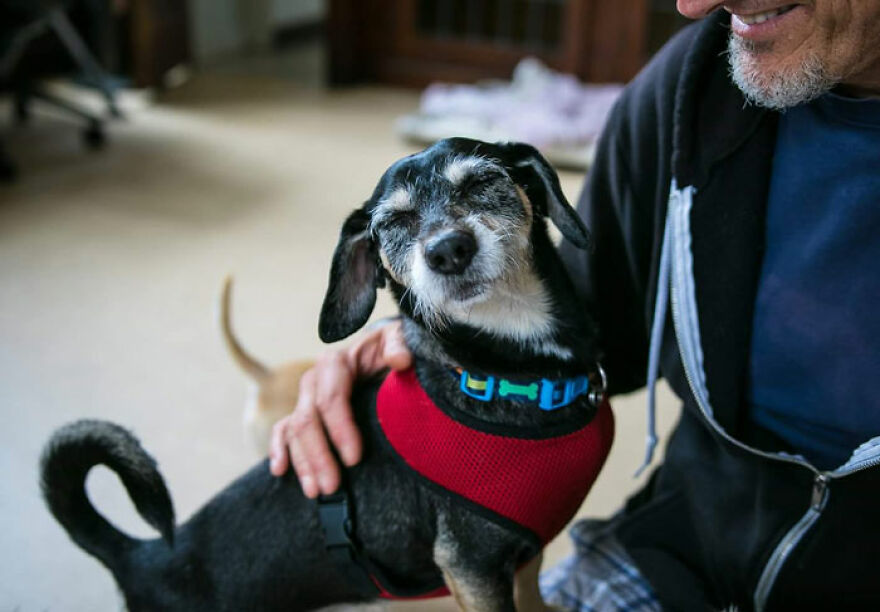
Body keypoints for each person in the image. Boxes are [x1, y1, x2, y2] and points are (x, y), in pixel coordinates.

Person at [269, 1, 880, 609]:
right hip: (683, 545)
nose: (694, 4)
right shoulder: (691, 87)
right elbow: (585, 319)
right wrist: (418, 342)